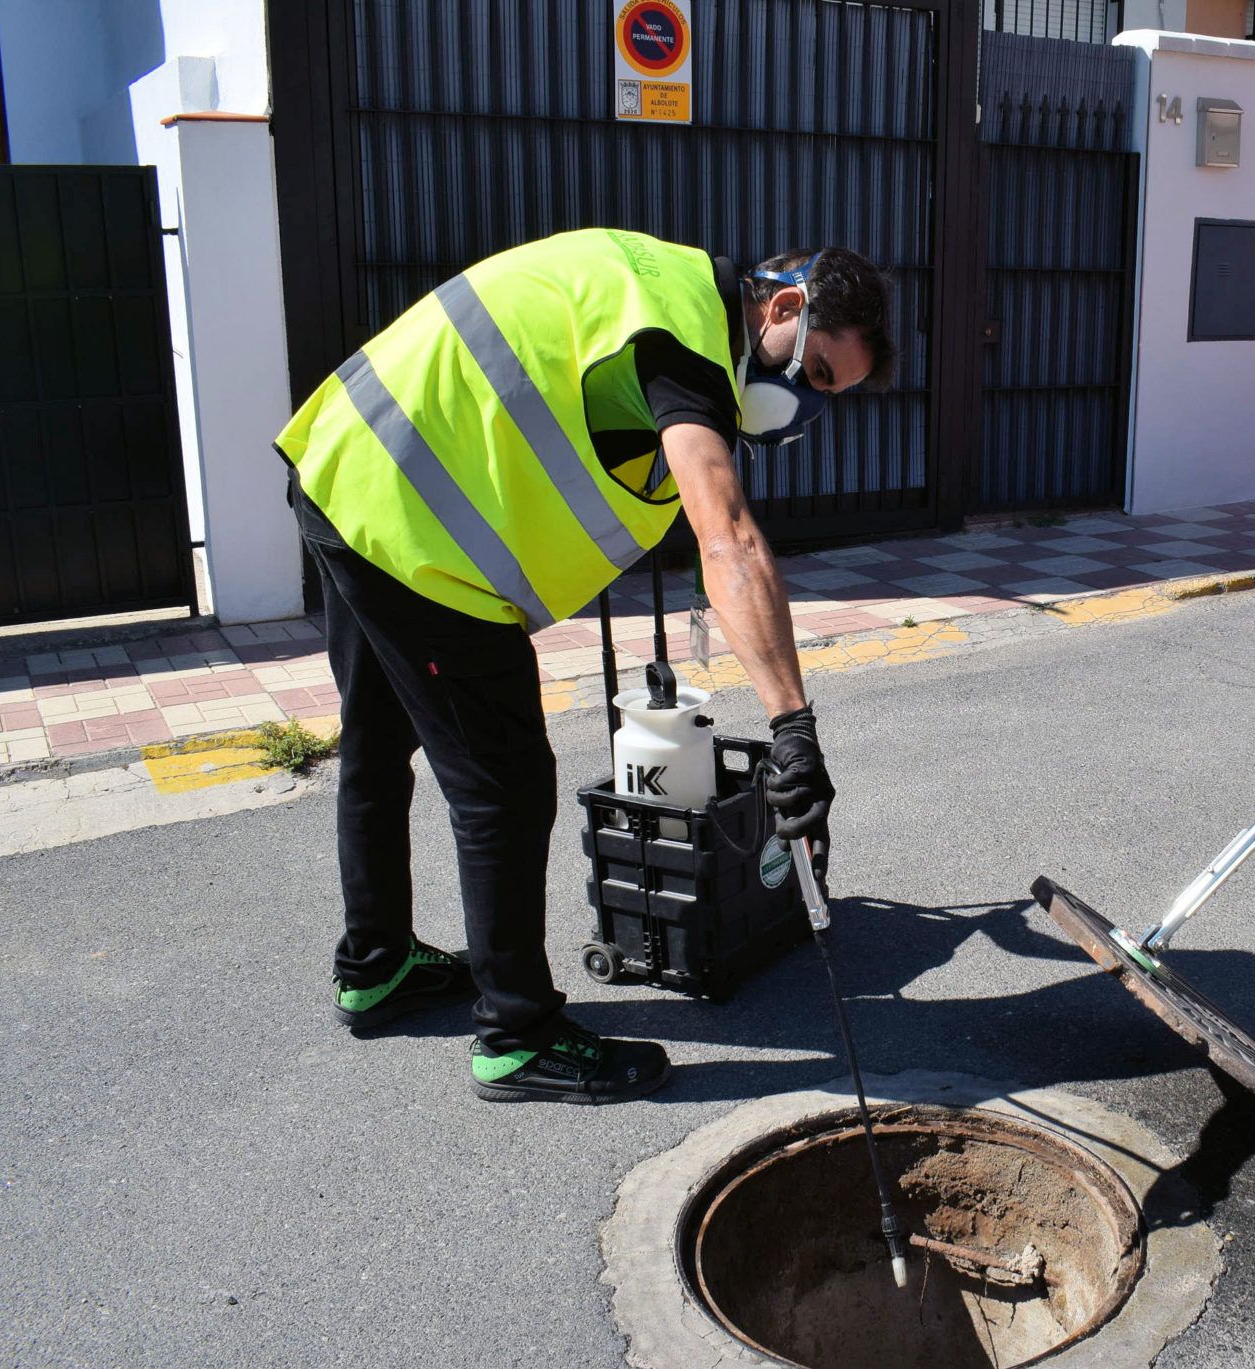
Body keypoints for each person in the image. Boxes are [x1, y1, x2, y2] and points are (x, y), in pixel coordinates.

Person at [273, 230, 892, 1105]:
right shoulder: (685, 346)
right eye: (819, 375)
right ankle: (517, 1034)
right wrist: (793, 725)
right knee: (506, 783)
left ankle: (375, 966)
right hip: (418, 538)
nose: (810, 404)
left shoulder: (663, 289)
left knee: (378, 742)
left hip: (353, 468)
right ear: (785, 308)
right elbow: (728, 536)